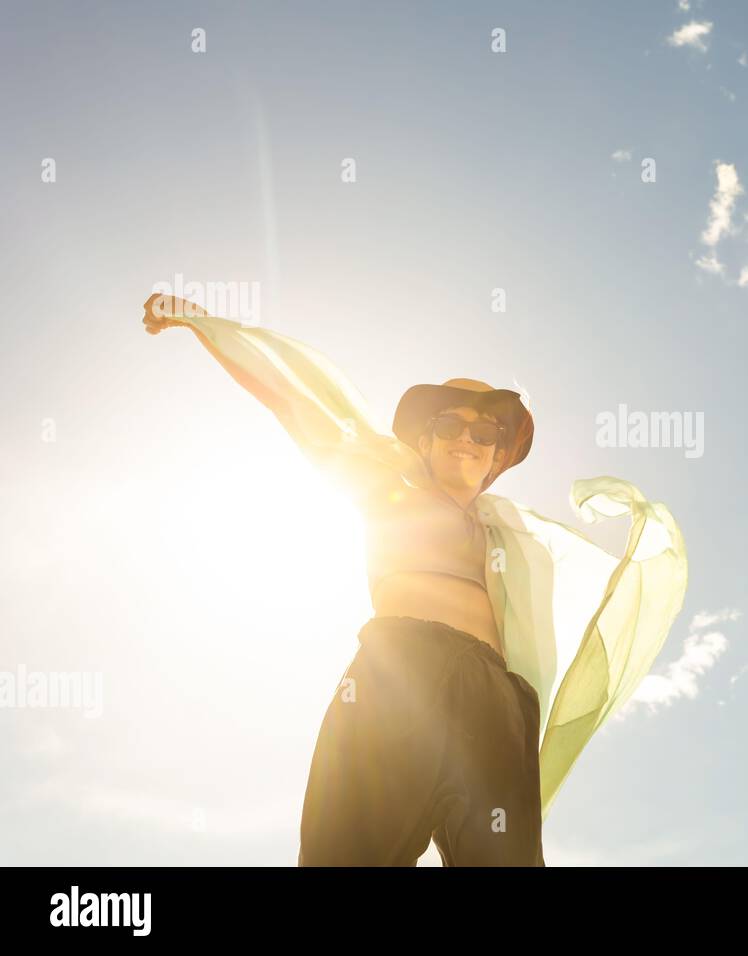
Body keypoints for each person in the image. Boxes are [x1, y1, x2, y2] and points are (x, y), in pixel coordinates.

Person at [141, 292, 688, 866]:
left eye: (484, 435)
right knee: (344, 853)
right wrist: (203, 325)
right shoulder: (382, 484)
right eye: (451, 424)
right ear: (424, 439)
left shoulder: (507, 533)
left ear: (497, 457)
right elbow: (297, 400)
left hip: (496, 701)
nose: (466, 440)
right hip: (399, 672)